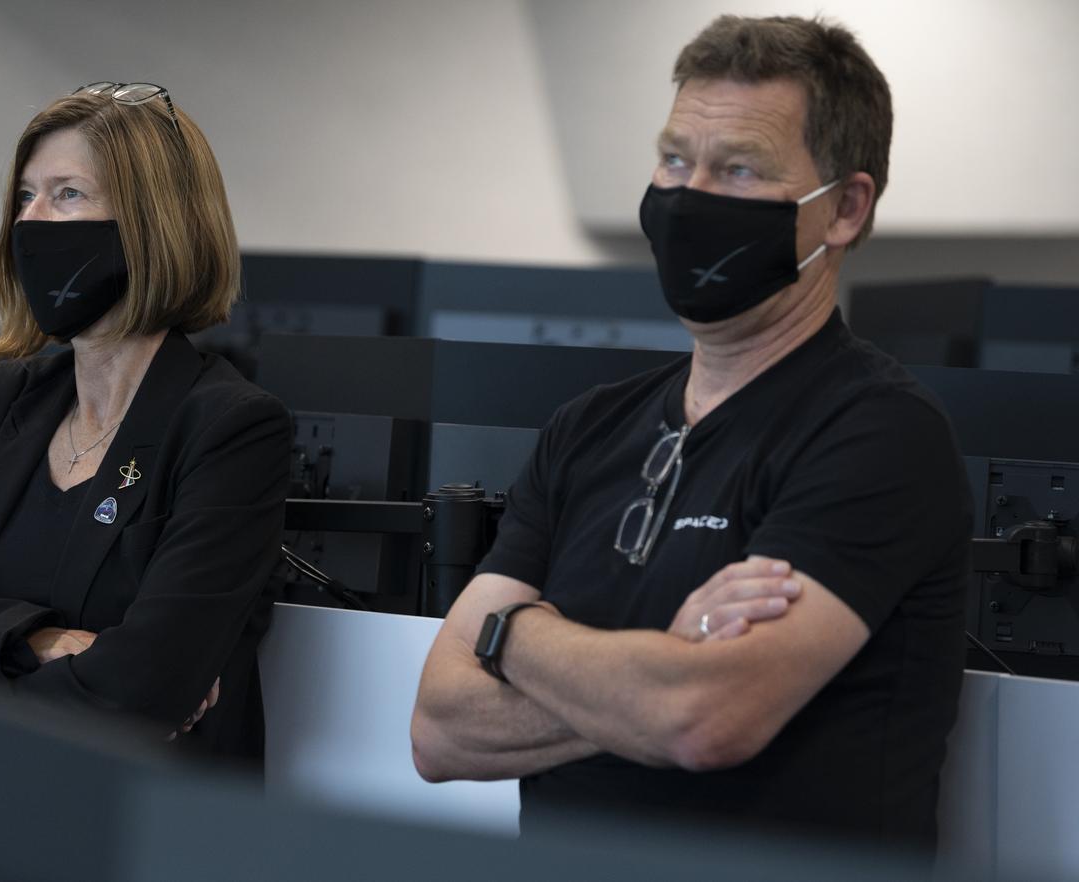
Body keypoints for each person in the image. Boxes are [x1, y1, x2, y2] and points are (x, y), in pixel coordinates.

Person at [411, 16, 972, 852]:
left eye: (738, 169)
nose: (689, 195)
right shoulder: (586, 428)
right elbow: (439, 729)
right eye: (676, 160)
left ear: (845, 209)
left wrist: (511, 635)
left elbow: (704, 718)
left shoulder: (879, 434)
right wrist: (661, 662)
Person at [0, 82, 291, 759]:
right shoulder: (6, 402)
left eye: (68, 194)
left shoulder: (230, 427)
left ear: (152, 222)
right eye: (26, 195)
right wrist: (38, 642)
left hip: (141, 838)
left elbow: (143, 689)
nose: (31, 220)